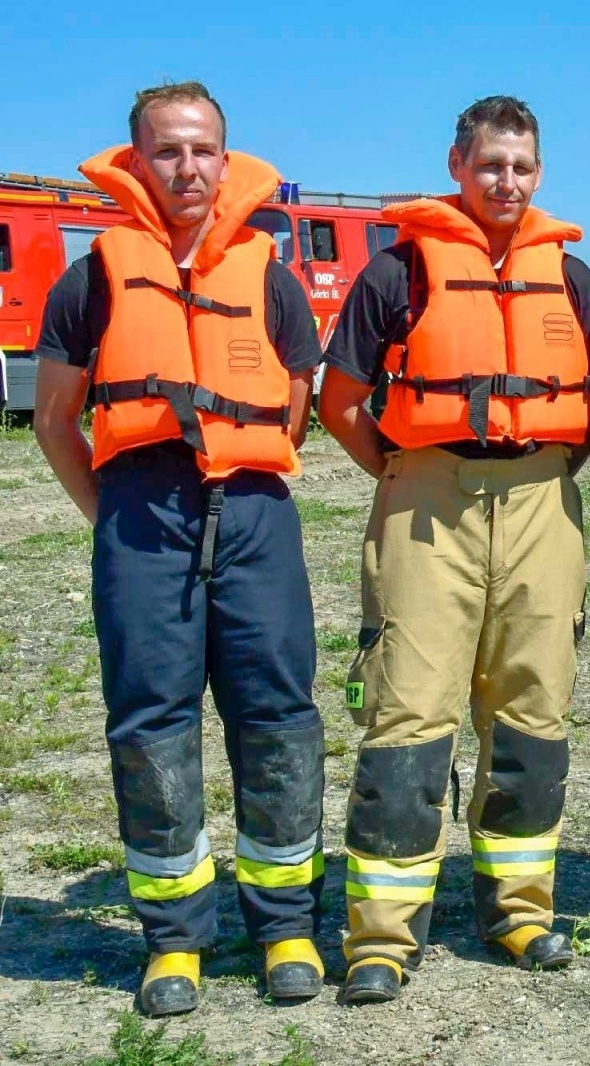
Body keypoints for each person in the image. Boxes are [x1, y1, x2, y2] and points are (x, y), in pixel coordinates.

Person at [31, 81, 326, 1016]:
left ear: (227, 158)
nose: (189, 169)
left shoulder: (270, 276)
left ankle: (285, 926)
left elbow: (294, 410)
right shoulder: (92, 278)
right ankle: (174, 940)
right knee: (151, 725)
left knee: (278, 715)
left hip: (253, 511)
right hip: (139, 511)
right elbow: (52, 421)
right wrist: (113, 518)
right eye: (168, 151)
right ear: (137, 160)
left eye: (204, 150)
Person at [318, 95, 590, 1005]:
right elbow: (340, 402)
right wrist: (404, 475)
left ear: (541, 170)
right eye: (490, 165)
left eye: (522, 166)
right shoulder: (394, 273)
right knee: (408, 712)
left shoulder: (573, 278)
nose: (507, 182)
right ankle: (381, 935)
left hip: (542, 500)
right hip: (426, 494)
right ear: (457, 164)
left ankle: (519, 911)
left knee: (533, 709)